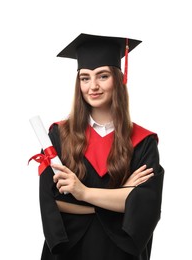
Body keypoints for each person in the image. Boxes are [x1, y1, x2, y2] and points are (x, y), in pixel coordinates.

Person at [34, 33, 164, 260]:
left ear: (118, 79)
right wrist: (120, 197)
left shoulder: (144, 143)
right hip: (70, 253)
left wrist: (82, 193)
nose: (92, 86)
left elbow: (145, 209)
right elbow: (53, 201)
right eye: (85, 78)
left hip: (119, 254)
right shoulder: (59, 135)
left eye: (102, 76)